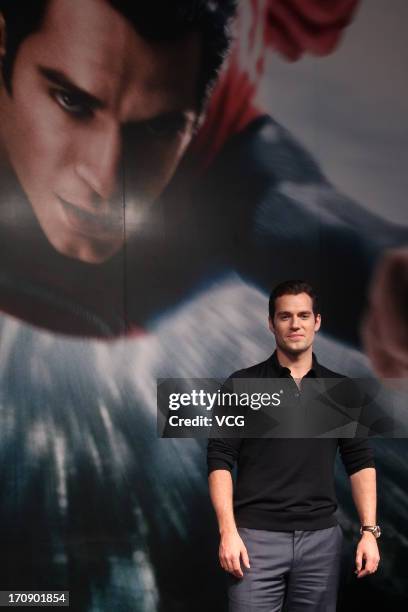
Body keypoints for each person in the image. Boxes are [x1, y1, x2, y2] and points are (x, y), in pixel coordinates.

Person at [0, 0, 407, 376]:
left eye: (160, 127)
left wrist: (375, 272)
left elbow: (296, 213)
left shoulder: (226, 161)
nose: (105, 179)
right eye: (72, 101)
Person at [207, 280, 381, 611]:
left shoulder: (341, 391)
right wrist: (227, 532)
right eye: (285, 316)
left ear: (317, 321)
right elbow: (219, 460)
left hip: (320, 542)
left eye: (303, 315)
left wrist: (369, 532)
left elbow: (360, 462)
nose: (295, 324)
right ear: (271, 323)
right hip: (253, 541)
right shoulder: (241, 384)